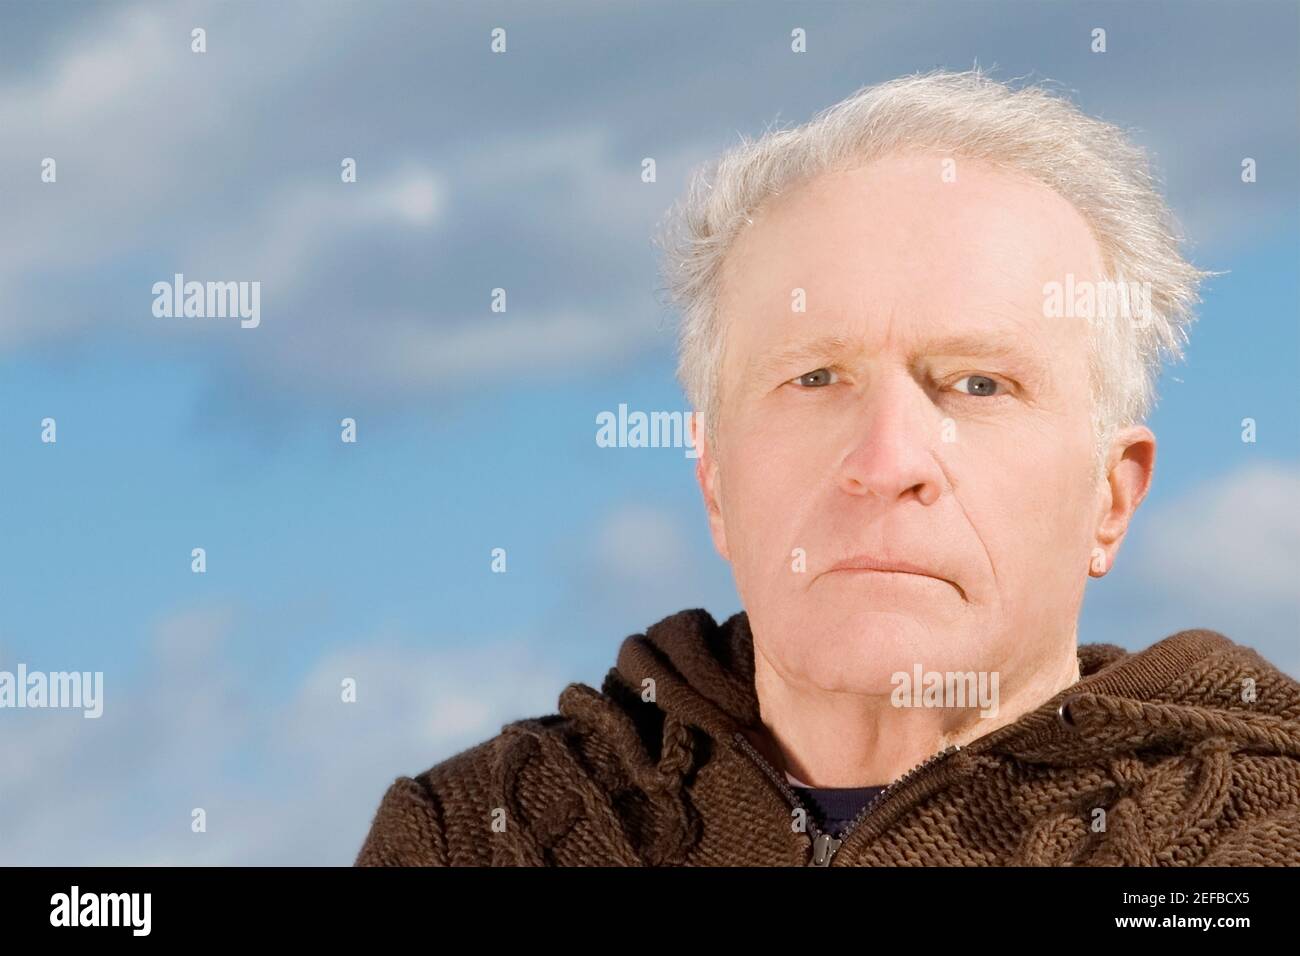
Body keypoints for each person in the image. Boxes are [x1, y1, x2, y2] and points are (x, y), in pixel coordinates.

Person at [356, 69, 1300, 866]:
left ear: (1110, 495)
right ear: (716, 481)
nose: (886, 462)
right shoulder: (470, 835)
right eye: (815, 378)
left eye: (978, 384)